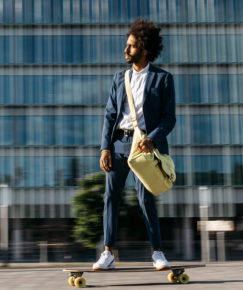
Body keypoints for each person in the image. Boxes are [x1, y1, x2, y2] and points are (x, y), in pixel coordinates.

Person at [94, 18, 176, 270]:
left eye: (130, 46)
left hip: (145, 147)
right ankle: (107, 254)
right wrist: (105, 147)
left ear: (144, 48)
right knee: (111, 197)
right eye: (126, 45)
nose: (126, 50)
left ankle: (158, 253)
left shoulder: (163, 79)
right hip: (119, 143)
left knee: (146, 200)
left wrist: (153, 139)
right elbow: (110, 115)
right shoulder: (120, 78)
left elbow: (169, 118)